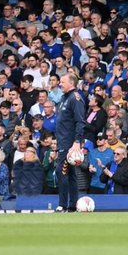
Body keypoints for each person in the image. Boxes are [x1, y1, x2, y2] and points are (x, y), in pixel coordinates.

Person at [54, 70, 86, 212]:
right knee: (70, 174)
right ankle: (72, 205)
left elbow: (80, 121)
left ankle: (63, 204)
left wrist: (77, 141)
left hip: (69, 143)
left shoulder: (75, 98)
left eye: (62, 82)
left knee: (61, 171)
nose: (60, 84)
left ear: (71, 83)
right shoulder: (63, 98)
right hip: (62, 142)